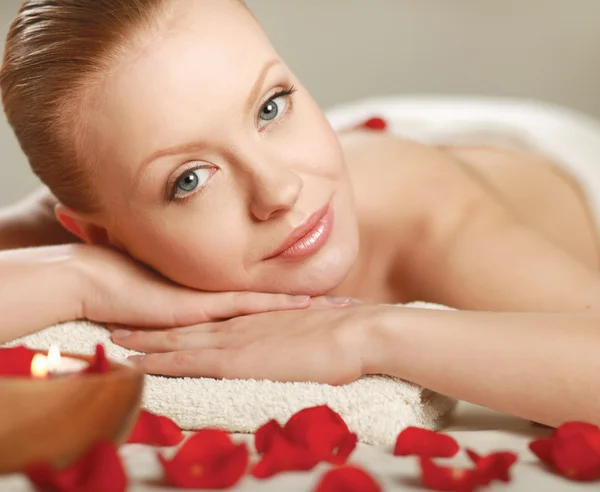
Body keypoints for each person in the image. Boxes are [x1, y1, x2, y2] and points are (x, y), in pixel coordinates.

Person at [1, 0, 600, 428]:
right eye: (189, 180)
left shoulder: (416, 209)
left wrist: (368, 334)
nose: (278, 191)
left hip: (530, 155)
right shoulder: (88, 218)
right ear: (101, 235)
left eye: (271, 103)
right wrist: (81, 279)